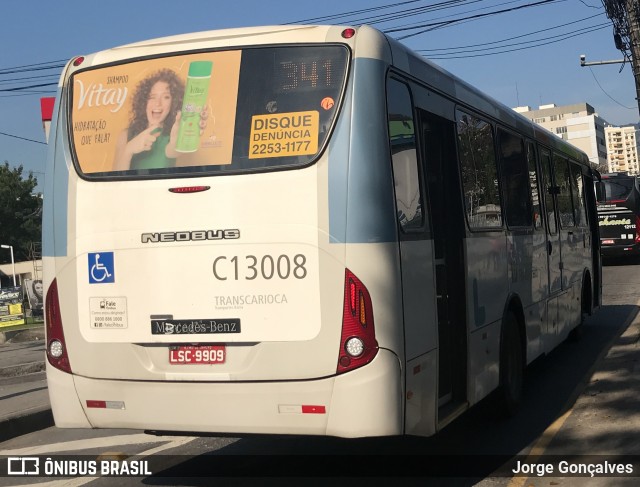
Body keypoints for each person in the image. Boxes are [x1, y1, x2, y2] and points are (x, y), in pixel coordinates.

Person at [113, 69, 185, 170]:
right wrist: (128, 150)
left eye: (166, 97)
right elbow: (115, 181)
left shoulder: (173, 135)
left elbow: (174, 149)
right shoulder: (126, 135)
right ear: (144, 101)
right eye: (152, 97)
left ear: (173, 103)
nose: (158, 103)